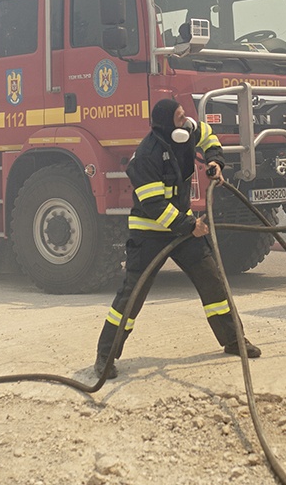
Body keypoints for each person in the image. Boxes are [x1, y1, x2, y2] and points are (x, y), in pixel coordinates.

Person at [93, 98, 261, 379]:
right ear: (168, 124)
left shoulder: (187, 133)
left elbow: (208, 137)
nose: (186, 121)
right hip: (149, 234)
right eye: (180, 118)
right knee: (131, 296)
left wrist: (215, 161)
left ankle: (234, 340)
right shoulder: (146, 156)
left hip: (184, 228)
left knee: (213, 282)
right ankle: (105, 357)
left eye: (185, 117)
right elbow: (154, 204)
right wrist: (189, 225)